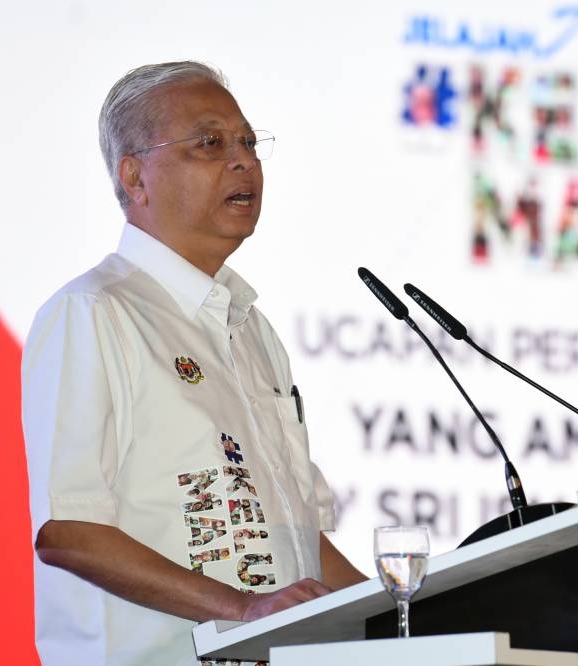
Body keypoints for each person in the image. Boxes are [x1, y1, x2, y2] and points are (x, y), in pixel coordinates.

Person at [21, 61, 366, 665]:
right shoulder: (95, 312)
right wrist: (243, 611)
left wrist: (410, 620)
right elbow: (68, 532)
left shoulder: (250, 329)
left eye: (249, 143)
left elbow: (299, 542)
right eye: (210, 143)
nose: (244, 161)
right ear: (135, 177)